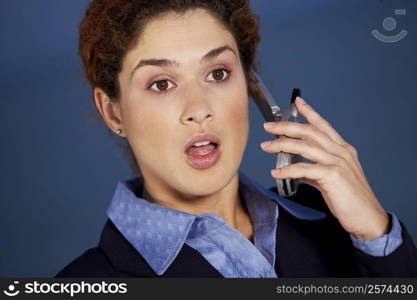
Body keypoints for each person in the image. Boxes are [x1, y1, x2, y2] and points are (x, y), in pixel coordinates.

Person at [56, 0, 417, 278]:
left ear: (250, 86)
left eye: (217, 73)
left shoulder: (337, 222)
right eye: (161, 83)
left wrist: (377, 237)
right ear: (113, 112)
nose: (199, 109)